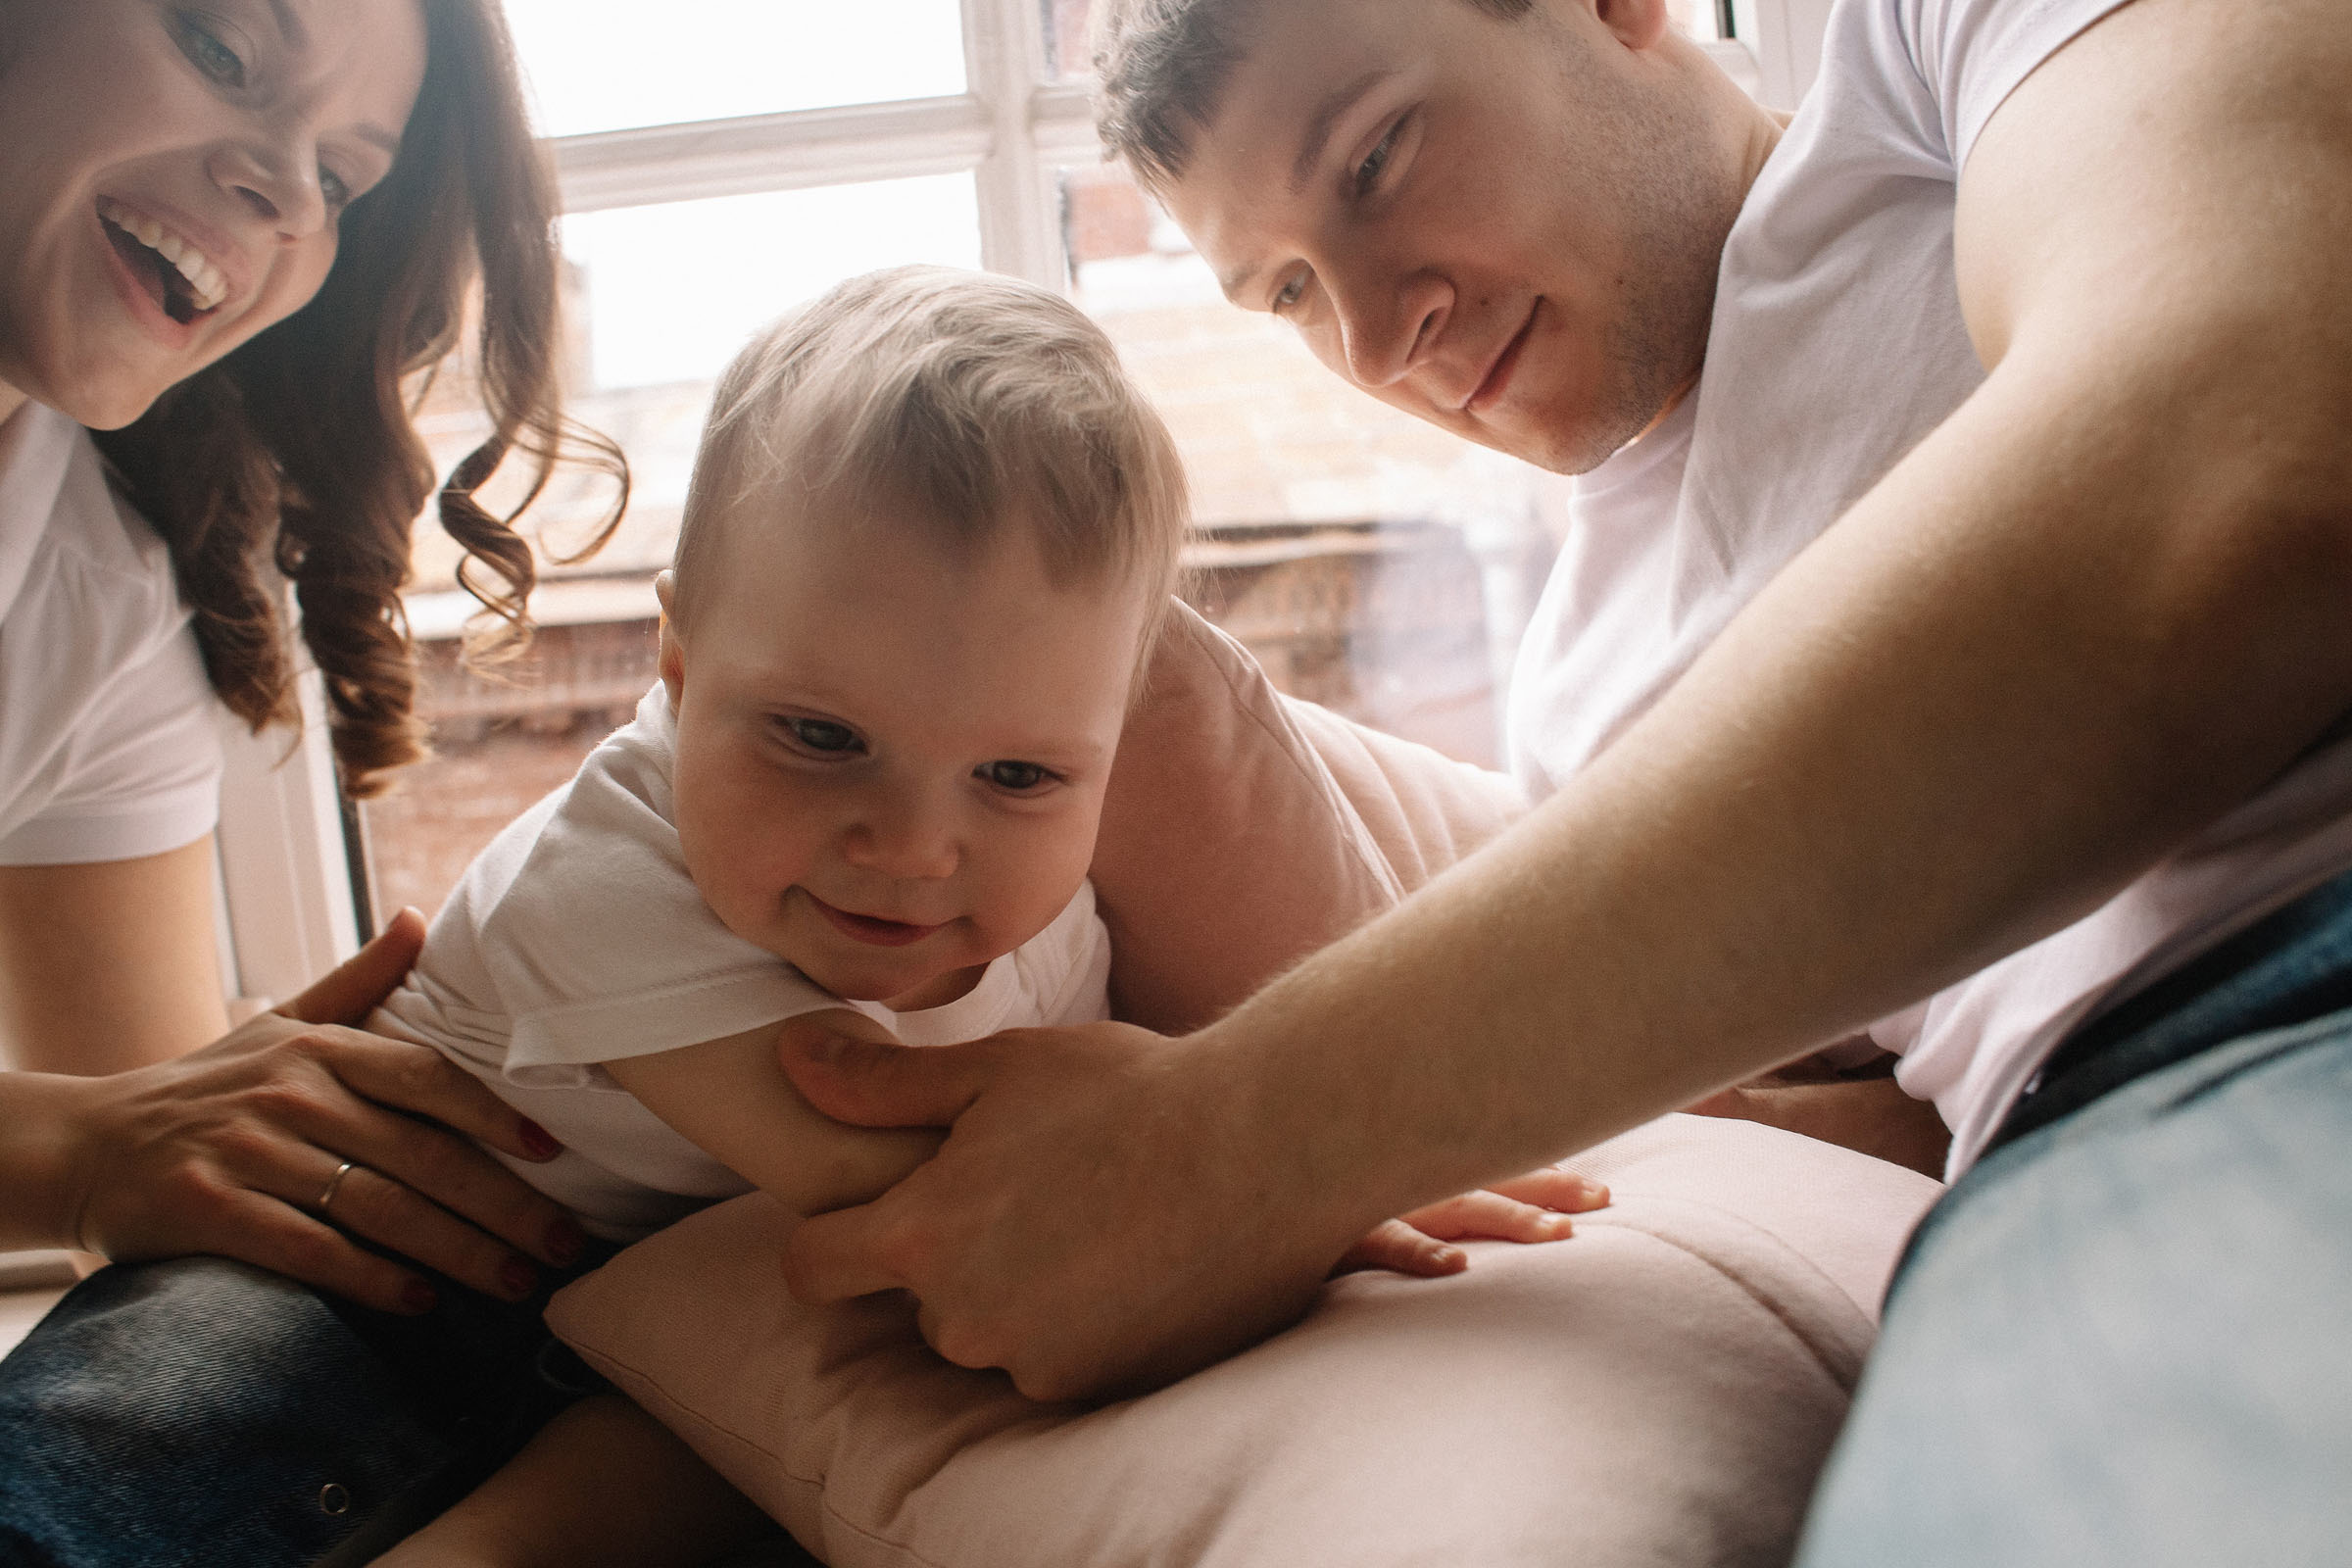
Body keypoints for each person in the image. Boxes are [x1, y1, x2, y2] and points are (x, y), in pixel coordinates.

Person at [773, 0, 2352, 1557]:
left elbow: (2238, 458)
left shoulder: (1940, 61)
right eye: (1293, 292)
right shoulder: (1584, 704)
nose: (1377, 337)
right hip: (2066, 1172)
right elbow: (1894, 1097)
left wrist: (1226, 1150)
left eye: (1377, 159)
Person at [343, 266, 1604, 1567]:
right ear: (677, 664)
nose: (911, 850)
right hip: (389, 1296)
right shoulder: (607, 881)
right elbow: (941, 1203)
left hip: (676, 1315)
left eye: (1016, 775)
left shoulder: (1068, 883)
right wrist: (1311, 1181)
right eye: (820, 737)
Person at [0, 0, 630, 1560]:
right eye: (221, 51)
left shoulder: (92, 581)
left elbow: (169, 1148)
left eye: (343, 179)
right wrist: (71, 1151)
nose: (287, 193)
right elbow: (103, 1137)